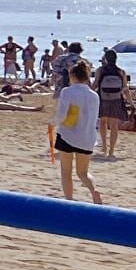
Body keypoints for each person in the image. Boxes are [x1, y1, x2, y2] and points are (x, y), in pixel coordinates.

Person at [53, 59, 103, 203]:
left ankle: (69, 200)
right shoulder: (94, 96)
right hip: (87, 138)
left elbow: (62, 115)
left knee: (66, 172)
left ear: (72, 76)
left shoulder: (67, 91)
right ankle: (94, 191)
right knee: (83, 173)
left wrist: (53, 122)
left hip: (67, 135)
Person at [95, 51, 130, 160]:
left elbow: (95, 84)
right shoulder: (121, 72)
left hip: (103, 98)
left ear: (105, 58)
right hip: (116, 99)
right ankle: (112, 150)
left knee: (103, 122)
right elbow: (125, 89)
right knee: (114, 125)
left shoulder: (100, 70)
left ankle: (104, 146)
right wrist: (131, 102)